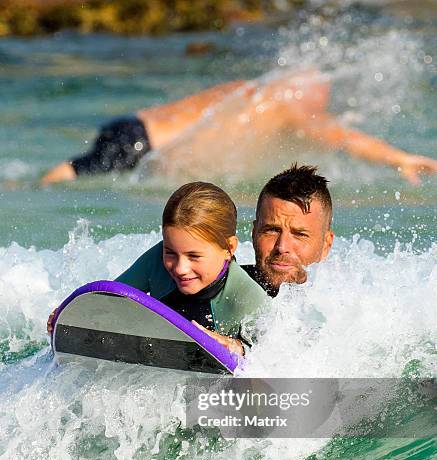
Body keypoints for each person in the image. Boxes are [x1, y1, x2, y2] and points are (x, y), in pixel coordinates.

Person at [40, 70, 437, 186]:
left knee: (78, 169)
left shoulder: (248, 90)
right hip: (144, 146)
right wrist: (398, 158)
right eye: (321, 96)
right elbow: (345, 138)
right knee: (75, 176)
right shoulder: (288, 108)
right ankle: (34, 186)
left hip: (132, 126)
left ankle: (38, 182)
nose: (322, 106)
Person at [48, 181, 269, 355]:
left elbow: (274, 359)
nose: (180, 268)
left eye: (194, 256)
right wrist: (74, 316)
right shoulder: (156, 261)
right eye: (170, 252)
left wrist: (237, 348)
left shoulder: (249, 296)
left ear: (228, 248)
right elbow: (110, 299)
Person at [243, 163, 334, 296]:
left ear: (326, 245)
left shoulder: (352, 309)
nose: (281, 247)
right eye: (272, 230)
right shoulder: (217, 295)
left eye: (299, 234)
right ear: (254, 232)